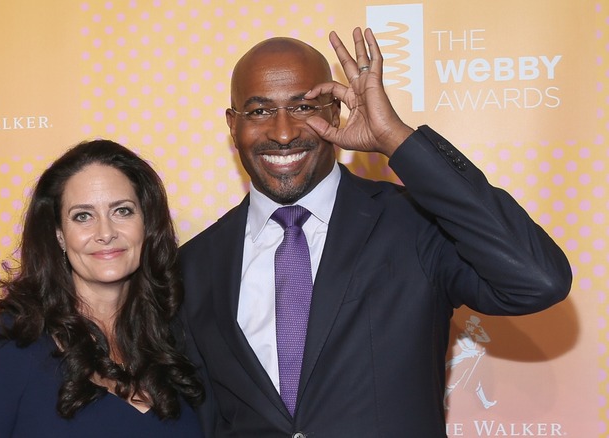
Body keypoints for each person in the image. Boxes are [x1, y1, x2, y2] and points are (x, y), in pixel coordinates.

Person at [178, 27, 571, 437]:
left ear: (335, 113)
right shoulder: (193, 265)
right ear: (232, 124)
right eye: (259, 111)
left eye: (303, 107)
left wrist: (396, 139)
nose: (282, 132)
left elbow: (537, 280)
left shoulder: (415, 224)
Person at [0, 140, 204, 437]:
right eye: (83, 216)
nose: (105, 233)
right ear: (58, 235)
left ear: (146, 224)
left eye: (122, 211)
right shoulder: (9, 347)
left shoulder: (179, 339)